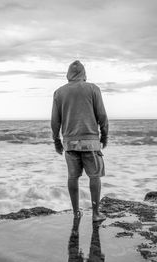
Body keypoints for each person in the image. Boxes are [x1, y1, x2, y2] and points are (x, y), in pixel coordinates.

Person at [51, 60, 108, 222]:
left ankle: (76, 213)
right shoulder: (93, 89)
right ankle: (96, 214)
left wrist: (56, 140)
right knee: (94, 176)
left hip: (69, 143)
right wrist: (105, 135)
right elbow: (102, 116)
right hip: (90, 142)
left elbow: (55, 121)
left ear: (68, 75)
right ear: (84, 74)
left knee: (72, 177)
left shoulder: (59, 92)